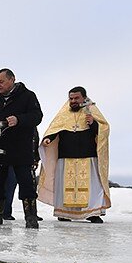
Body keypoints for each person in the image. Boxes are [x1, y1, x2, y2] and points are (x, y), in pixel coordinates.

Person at [0, 68, 43, 228]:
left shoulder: (28, 96)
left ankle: (30, 216)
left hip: (21, 148)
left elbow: (37, 116)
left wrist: (19, 119)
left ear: (12, 80)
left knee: (26, 183)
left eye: (1, 81)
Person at [38, 87, 111, 223]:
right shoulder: (64, 113)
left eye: (76, 98)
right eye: (71, 98)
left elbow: (104, 130)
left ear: (84, 97)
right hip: (65, 157)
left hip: (88, 156)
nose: (73, 101)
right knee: (65, 187)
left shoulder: (92, 111)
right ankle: (64, 213)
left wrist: (94, 124)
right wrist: (49, 138)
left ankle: (92, 213)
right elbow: (55, 128)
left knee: (91, 187)